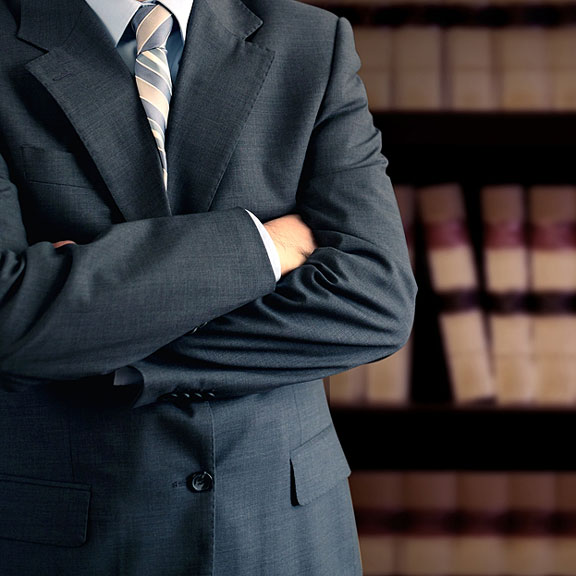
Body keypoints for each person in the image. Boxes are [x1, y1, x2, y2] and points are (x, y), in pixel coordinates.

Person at [0, 0, 417, 573]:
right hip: (66, 537)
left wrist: (100, 333)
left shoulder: (313, 40)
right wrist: (266, 248)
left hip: (284, 530)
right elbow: (12, 316)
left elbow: (377, 301)